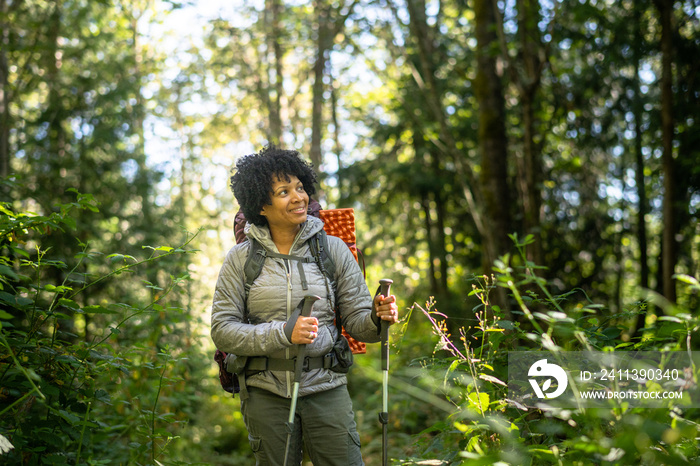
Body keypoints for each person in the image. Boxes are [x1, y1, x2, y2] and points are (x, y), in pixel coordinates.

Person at [210, 145, 399, 465]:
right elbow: (223, 330)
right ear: (261, 205)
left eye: (299, 188)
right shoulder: (241, 259)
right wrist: (283, 333)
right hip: (263, 392)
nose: (297, 197)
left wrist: (378, 318)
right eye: (283, 191)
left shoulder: (333, 249)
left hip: (327, 386)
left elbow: (356, 321)